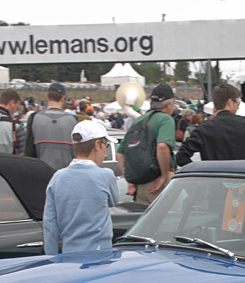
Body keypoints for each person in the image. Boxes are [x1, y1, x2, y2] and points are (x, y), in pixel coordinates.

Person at [43, 120, 120, 255]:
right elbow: (113, 201)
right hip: (100, 253)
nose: (105, 151)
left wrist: (51, 257)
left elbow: (50, 224)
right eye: (105, 145)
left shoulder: (57, 177)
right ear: (97, 145)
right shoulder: (105, 175)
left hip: (69, 253)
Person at [116, 83, 177, 206]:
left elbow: (120, 153)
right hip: (158, 182)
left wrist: (130, 181)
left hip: (139, 186)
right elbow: (162, 146)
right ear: (169, 104)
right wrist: (164, 176)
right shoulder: (166, 119)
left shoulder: (139, 120)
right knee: (169, 222)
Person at [176, 83, 245, 167]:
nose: (238, 107)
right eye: (238, 102)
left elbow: (180, 157)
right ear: (230, 102)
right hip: (243, 176)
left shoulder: (203, 129)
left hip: (214, 177)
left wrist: (202, 171)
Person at [24, 82, 77, 170]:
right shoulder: (74, 120)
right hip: (66, 176)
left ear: (47, 97)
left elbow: (28, 151)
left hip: (41, 174)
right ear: (63, 98)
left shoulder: (34, 118)